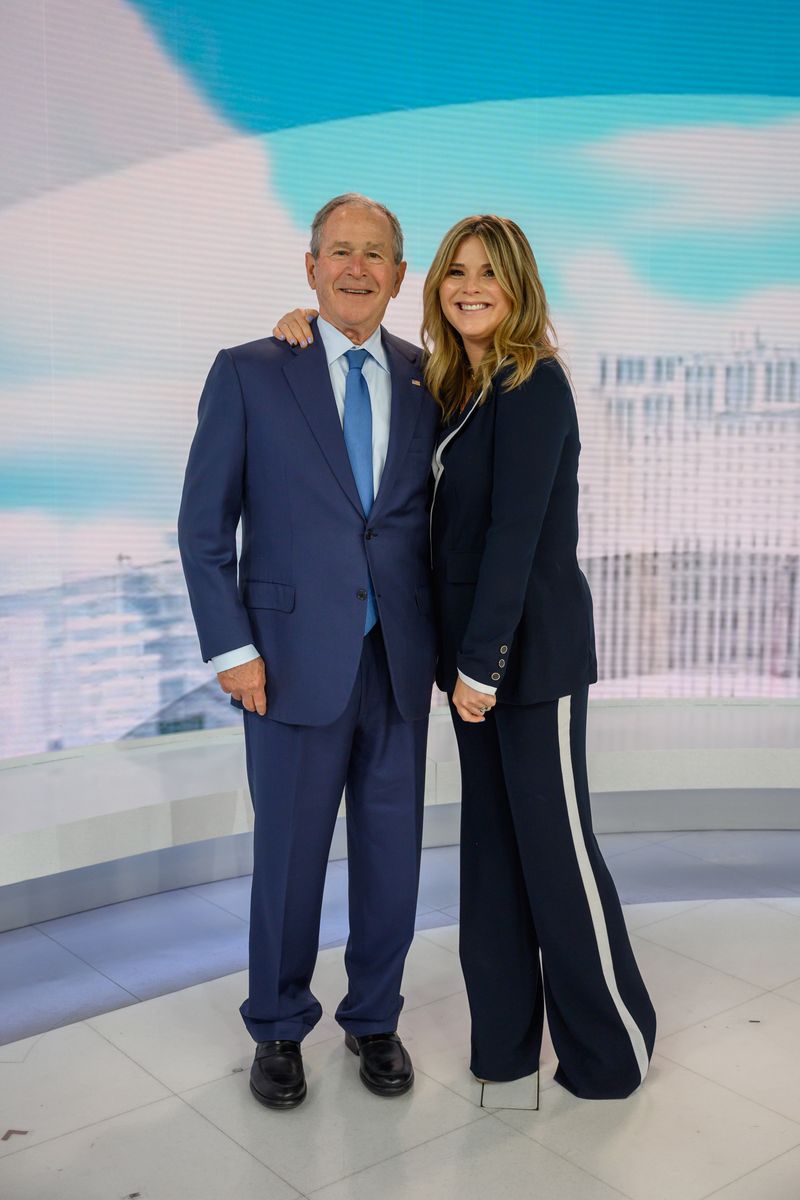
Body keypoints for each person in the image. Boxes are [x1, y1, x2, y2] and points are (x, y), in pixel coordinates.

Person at [274, 214, 657, 1101]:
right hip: (469, 673)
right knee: (492, 857)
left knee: (558, 856)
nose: (471, 286)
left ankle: (612, 1050)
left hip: (531, 664)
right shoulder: (456, 382)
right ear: (435, 284)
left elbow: (518, 537)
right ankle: (506, 1048)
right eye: (457, 272)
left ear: (518, 285)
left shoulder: (533, 384)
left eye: (490, 272)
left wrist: (481, 665)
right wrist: (302, 323)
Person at [178, 194, 439, 1110]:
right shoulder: (252, 370)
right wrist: (231, 650)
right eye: (340, 252)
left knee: (391, 857)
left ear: (401, 277)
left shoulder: (426, 376)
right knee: (288, 858)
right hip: (283, 663)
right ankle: (279, 1026)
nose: (357, 268)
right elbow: (203, 528)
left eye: (375, 254)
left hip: (400, 662)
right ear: (311, 266)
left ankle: (376, 1019)